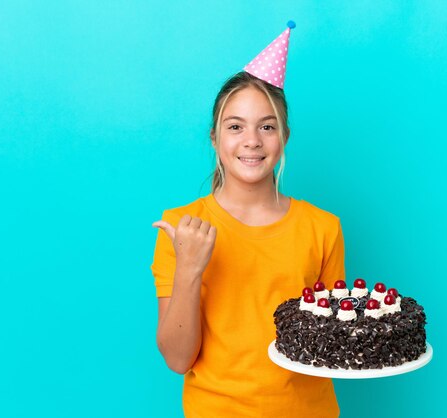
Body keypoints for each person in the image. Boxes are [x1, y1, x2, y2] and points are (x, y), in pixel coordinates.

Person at [151, 23, 344, 417]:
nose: (252, 140)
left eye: (267, 126)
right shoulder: (182, 226)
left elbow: (330, 344)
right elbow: (177, 359)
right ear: (214, 138)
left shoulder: (323, 228)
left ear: (284, 137)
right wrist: (189, 266)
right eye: (235, 126)